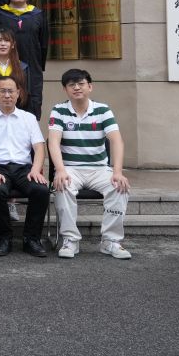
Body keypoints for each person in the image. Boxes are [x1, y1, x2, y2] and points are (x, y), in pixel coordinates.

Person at [48, 69, 132, 260]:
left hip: (99, 169)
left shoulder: (103, 110)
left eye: (81, 83)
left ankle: (110, 241)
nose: (77, 88)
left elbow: (116, 141)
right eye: (71, 85)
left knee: (119, 186)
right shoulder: (58, 110)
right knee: (62, 185)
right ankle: (70, 239)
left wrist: (117, 172)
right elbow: (53, 142)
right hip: (71, 169)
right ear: (65, 89)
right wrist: (59, 170)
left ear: (90, 87)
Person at [0, 76, 49, 257]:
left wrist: (36, 170)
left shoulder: (29, 118)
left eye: (11, 91)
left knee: (41, 190)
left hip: (24, 169)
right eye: (3, 91)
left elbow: (39, 147)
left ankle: (31, 239)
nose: (7, 95)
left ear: (18, 93)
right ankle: (4, 238)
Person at [0, 0, 48, 119]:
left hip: (32, 68)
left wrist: (38, 66)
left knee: (30, 108)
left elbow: (43, 44)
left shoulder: (38, 15)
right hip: (4, 68)